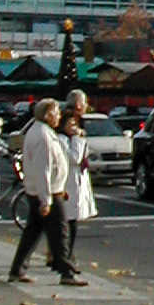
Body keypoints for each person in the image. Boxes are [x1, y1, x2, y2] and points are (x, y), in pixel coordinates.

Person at [8, 99, 85, 286]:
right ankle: (66, 272)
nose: (59, 116)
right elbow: (43, 170)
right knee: (60, 232)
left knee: (32, 232)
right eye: (56, 113)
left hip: (44, 191)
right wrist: (46, 200)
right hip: (46, 193)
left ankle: (17, 269)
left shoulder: (40, 131)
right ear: (48, 115)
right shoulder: (43, 137)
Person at [60, 103, 97, 261]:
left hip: (77, 180)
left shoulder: (75, 139)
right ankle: (64, 253)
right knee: (67, 220)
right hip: (68, 181)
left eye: (75, 124)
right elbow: (74, 157)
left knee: (73, 220)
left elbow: (83, 155)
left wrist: (81, 139)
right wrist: (77, 138)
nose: (73, 127)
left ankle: (68, 252)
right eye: (70, 124)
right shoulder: (61, 140)